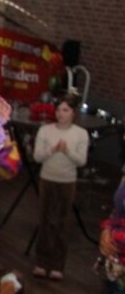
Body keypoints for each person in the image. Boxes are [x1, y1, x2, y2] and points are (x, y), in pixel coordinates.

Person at [32, 92, 89, 281]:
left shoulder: (81, 134)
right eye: (58, 110)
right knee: (44, 220)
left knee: (62, 223)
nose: (60, 114)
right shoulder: (45, 130)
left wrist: (67, 151)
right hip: (47, 178)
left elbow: (81, 161)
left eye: (65, 110)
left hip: (67, 181)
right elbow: (37, 157)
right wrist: (52, 149)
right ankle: (41, 261)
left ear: (73, 113)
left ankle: (57, 264)